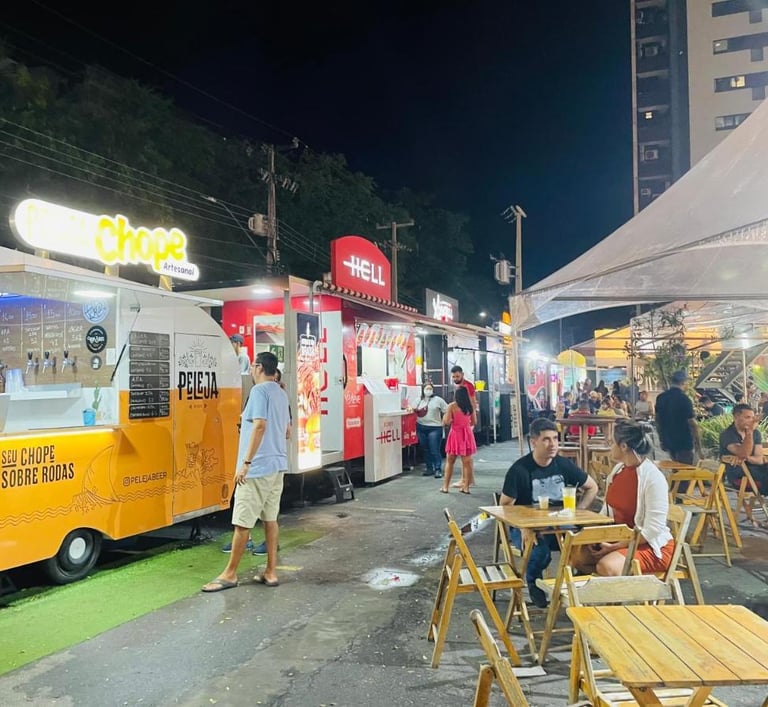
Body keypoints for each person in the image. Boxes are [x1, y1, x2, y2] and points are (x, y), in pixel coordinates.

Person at [202, 351, 290, 592]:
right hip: (277, 465)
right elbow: (287, 431)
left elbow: (260, 425)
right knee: (270, 520)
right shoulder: (281, 393)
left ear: (258, 367)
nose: (251, 371)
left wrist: (247, 462)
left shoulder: (260, 392)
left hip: (258, 467)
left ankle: (230, 574)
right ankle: (271, 572)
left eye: (253, 367)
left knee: (242, 523)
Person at [500, 418, 598, 607]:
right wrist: (523, 527)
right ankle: (534, 582)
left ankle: (578, 584)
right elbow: (505, 506)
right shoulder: (520, 470)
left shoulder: (563, 465)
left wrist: (580, 511)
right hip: (527, 528)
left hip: (560, 525)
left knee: (589, 545)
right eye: (546, 439)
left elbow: (592, 487)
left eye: (555, 438)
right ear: (534, 441)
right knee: (540, 551)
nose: (552, 444)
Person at [586, 420, 674, 576]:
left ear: (624, 446)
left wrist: (615, 547)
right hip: (620, 539)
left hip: (651, 546)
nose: (609, 446)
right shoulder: (618, 470)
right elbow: (607, 511)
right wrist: (594, 536)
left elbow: (652, 530)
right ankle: (597, 596)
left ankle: (624, 598)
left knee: (607, 566)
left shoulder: (653, 478)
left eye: (612, 442)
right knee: (577, 555)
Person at [655, 370, 701, 468]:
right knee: (685, 471)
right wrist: (698, 444)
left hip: (668, 439)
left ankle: (675, 483)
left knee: (675, 469)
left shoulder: (661, 398)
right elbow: (691, 422)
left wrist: (661, 438)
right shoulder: (684, 399)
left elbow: (657, 420)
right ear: (683, 383)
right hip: (683, 440)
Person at [719, 403, 768, 492]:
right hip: (739, 474)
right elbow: (743, 452)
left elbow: (759, 459)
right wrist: (749, 432)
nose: (751, 421)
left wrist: (746, 458)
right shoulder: (727, 434)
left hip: (757, 469)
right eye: (748, 417)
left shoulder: (756, 433)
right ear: (736, 417)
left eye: (752, 418)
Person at [440, 386, 477, 494]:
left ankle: (445, 487)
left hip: (455, 434)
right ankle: (466, 487)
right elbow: (474, 422)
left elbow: (446, 421)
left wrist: (446, 419)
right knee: (467, 462)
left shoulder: (452, 406)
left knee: (450, 461)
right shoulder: (471, 407)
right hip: (467, 434)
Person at [414, 383, 448, 478]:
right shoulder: (419, 400)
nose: (428, 390)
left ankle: (438, 469)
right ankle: (429, 468)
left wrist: (444, 421)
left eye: (430, 389)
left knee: (434, 449)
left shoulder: (438, 400)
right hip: (421, 427)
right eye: (426, 388)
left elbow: (447, 410)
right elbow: (412, 408)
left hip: (435, 428)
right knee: (425, 449)